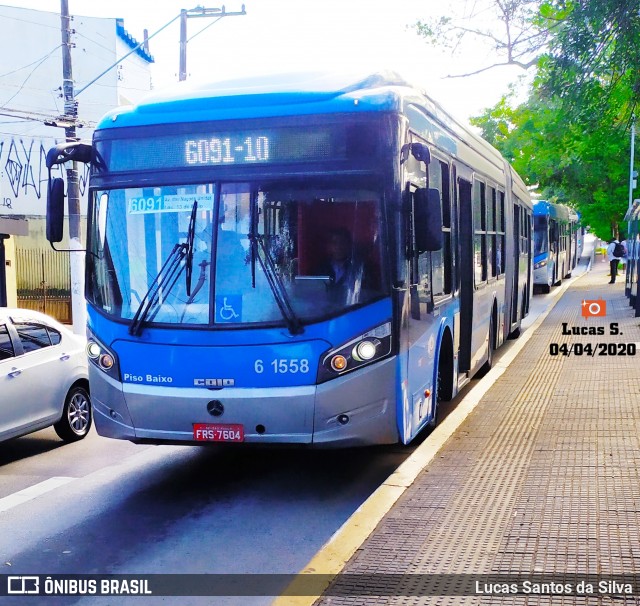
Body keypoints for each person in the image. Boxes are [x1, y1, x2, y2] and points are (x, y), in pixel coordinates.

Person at [315, 227, 365, 303]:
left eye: (342, 242)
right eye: (335, 243)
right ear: (329, 246)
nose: (338, 247)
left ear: (349, 245)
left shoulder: (360, 268)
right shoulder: (320, 268)